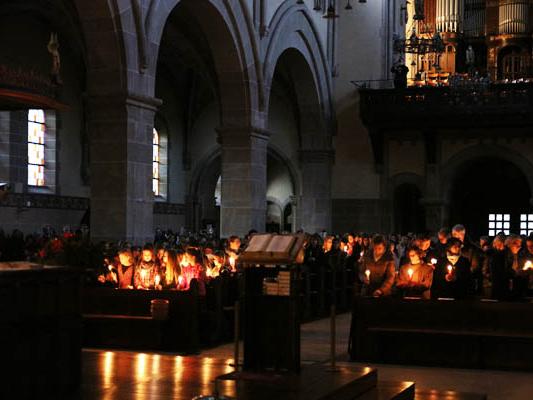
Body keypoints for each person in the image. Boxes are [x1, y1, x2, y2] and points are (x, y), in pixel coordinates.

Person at [452, 224, 482, 294]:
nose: (457, 239)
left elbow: (475, 266)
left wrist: (462, 274)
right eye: (455, 236)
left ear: (463, 235)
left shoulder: (471, 249)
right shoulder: (448, 248)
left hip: (466, 282)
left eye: (460, 237)